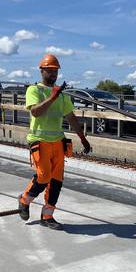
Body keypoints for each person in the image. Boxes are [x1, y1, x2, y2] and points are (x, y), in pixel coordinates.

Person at [18, 54, 92, 230]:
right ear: (42, 70)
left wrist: (83, 138)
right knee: (43, 177)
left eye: (55, 71)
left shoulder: (62, 95)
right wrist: (52, 97)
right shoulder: (34, 90)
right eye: (50, 70)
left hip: (58, 142)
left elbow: (71, 118)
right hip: (40, 140)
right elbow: (36, 112)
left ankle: (47, 216)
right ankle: (24, 200)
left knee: (57, 180)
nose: (53, 74)